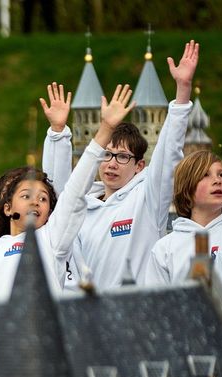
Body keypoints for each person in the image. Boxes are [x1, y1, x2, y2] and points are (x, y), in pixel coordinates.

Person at [0, 85, 132, 301]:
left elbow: (73, 192)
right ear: (7, 208)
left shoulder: (51, 240)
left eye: (43, 199)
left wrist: (105, 130)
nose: (36, 203)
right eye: (26, 196)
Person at [73, 40, 198, 287]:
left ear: (139, 166)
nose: (111, 164)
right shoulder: (82, 209)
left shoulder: (146, 200)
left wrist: (182, 92)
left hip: (139, 315)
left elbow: (168, 155)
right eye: (107, 155)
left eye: (122, 157)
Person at [142, 150, 222, 286]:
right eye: (205, 175)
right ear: (187, 188)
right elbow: (158, 303)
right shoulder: (165, 248)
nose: (217, 180)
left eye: (221, 174)